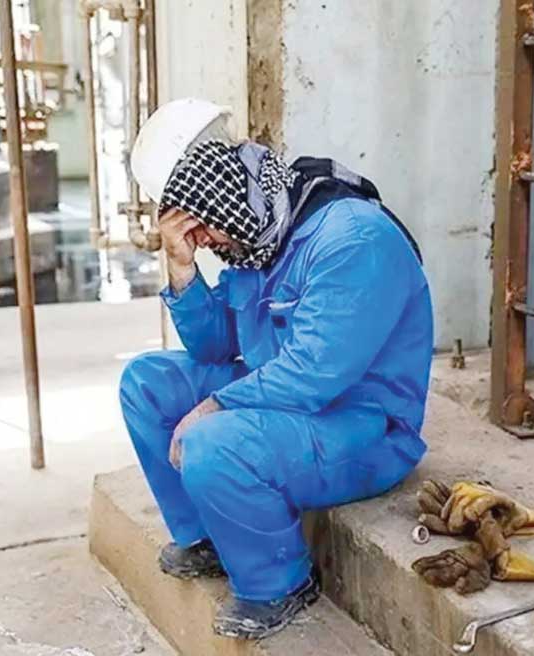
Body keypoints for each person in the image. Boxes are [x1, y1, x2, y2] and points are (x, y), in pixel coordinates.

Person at [119, 98, 434, 640]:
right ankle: (208, 537)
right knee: (146, 383)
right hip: (287, 405)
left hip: (363, 426)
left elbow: (314, 374)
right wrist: (181, 270)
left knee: (213, 442)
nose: (204, 238)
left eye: (201, 224)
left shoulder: (353, 240)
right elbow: (216, 346)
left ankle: (279, 582)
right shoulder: (260, 239)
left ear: (223, 192)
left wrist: (215, 406)